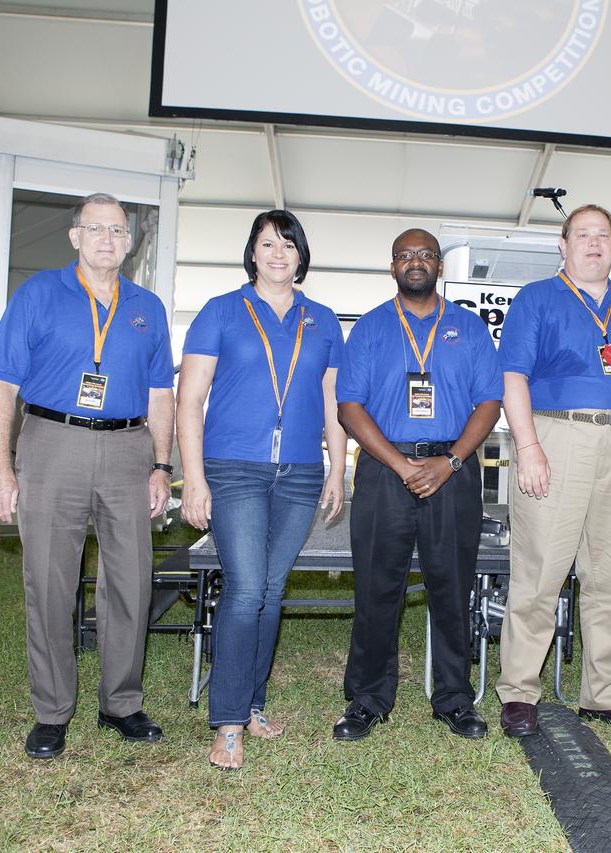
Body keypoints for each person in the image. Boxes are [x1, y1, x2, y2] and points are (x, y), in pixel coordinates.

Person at [0, 192, 174, 760]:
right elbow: (1, 386)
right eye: (96, 229)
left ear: (130, 241)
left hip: (128, 449)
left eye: (118, 230)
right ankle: (52, 711)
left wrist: (162, 466)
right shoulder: (40, 293)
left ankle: (121, 703)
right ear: (75, 236)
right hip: (51, 443)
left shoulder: (147, 307)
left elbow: (162, 393)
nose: (108, 240)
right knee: (49, 581)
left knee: (132, 581)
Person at [495, 204, 611, 738]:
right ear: (564, 244)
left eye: (604, 235)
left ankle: (602, 693)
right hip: (557, 435)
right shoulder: (537, 298)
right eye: (583, 235)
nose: (594, 244)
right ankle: (518, 691)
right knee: (540, 570)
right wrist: (527, 447)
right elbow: (513, 378)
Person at [177, 210, 347, 769]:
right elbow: (189, 402)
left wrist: (338, 468)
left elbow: (332, 403)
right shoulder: (221, 312)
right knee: (247, 590)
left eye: (288, 244)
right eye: (267, 243)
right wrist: (194, 478)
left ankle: (252, 702)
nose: (278, 253)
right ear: (251, 252)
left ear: (302, 256)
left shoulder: (321, 320)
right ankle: (227, 721)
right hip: (234, 470)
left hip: (299, 474)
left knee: (272, 592)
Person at [333, 228, 501, 741]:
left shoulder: (469, 329)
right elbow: (348, 408)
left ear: (439, 266)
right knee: (377, 587)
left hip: (453, 469)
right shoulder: (369, 329)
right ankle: (367, 698)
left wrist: (448, 462)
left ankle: (454, 698)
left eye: (424, 254)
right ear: (392, 267)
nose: (415, 262)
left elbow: (489, 403)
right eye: (404, 255)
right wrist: (403, 466)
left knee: (452, 586)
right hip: (386, 471)